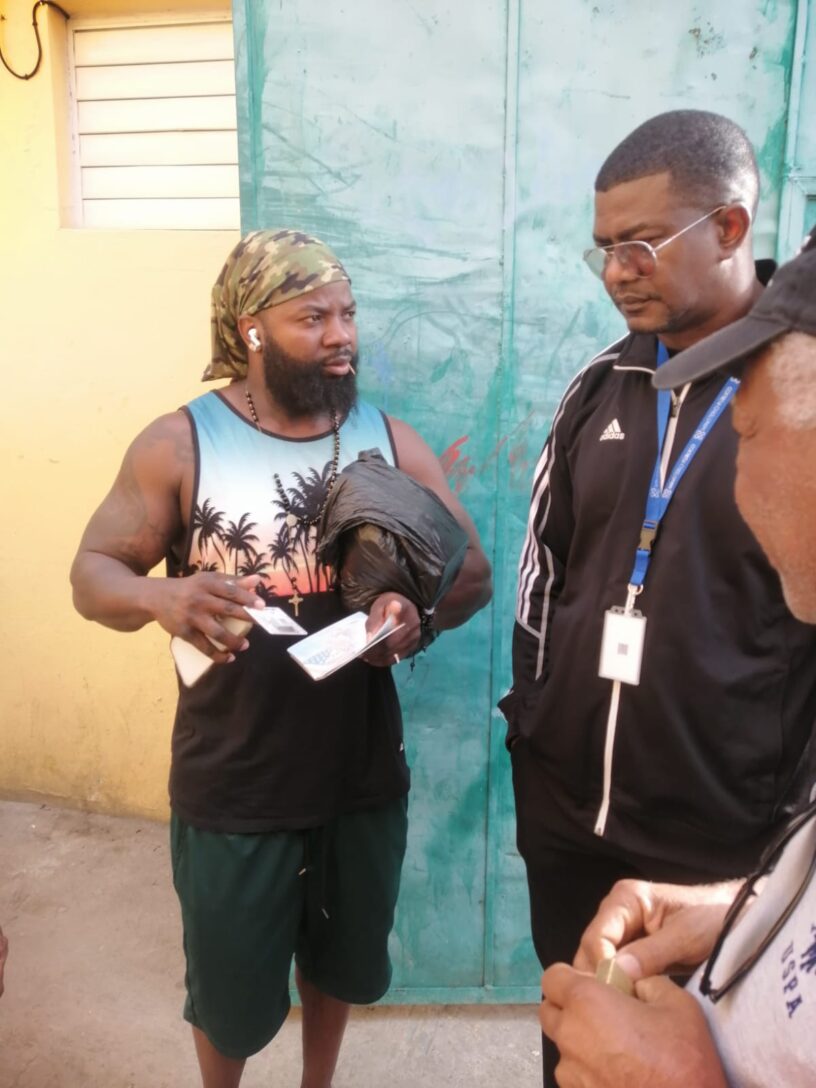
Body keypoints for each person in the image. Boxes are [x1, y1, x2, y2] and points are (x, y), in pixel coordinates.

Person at [70, 228, 492, 1088]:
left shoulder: (389, 440)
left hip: (358, 773)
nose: (342, 336)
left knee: (337, 965)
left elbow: (473, 574)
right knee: (227, 992)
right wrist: (161, 598)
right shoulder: (180, 444)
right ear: (253, 329)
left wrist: (415, 618)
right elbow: (92, 575)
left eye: (348, 314)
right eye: (314, 318)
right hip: (235, 778)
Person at [501, 110, 816, 1085]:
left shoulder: (795, 390)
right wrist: (534, 733)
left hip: (723, 838)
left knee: (701, 1048)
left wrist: (783, 833)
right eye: (603, 248)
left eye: (640, 243)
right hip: (569, 819)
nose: (616, 271)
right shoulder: (599, 388)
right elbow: (542, 575)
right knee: (578, 1040)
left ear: (730, 227)